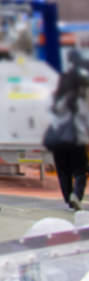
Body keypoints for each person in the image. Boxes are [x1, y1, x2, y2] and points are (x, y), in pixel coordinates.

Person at [48, 69, 89, 210]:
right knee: (79, 171)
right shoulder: (80, 98)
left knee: (63, 172)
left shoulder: (55, 98)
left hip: (57, 140)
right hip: (75, 139)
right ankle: (76, 195)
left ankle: (69, 200)